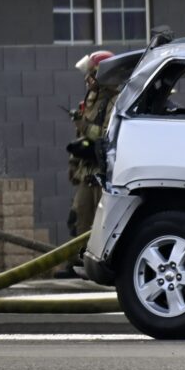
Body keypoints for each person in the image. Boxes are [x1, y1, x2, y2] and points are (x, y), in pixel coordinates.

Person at [55, 50, 117, 279]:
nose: (86, 79)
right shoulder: (90, 101)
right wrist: (73, 165)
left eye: (90, 74)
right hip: (86, 171)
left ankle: (103, 268)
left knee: (103, 223)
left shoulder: (115, 100)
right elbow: (81, 140)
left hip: (103, 171)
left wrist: (82, 123)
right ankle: (76, 264)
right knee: (79, 219)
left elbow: (105, 134)